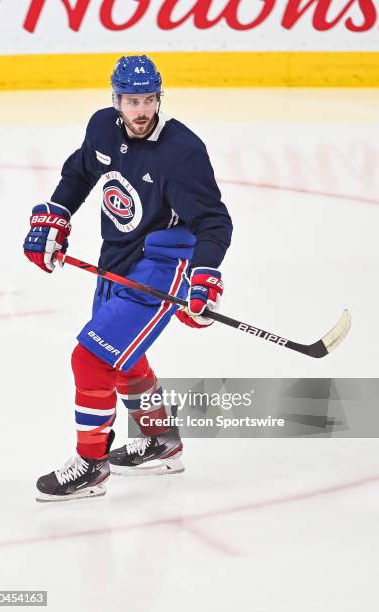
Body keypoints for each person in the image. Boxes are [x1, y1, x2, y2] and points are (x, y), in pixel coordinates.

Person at [23, 55, 233, 502]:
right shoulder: (102, 127)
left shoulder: (181, 150)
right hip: (116, 258)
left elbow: (214, 221)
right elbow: (80, 171)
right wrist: (56, 216)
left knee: (90, 359)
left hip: (162, 264)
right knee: (120, 359)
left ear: (160, 99)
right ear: (115, 100)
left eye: (149, 100)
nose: (141, 110)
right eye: (132, 100)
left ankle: (91, 465)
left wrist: (204, 275)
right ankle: (162, 442)